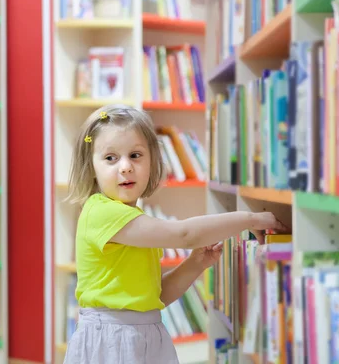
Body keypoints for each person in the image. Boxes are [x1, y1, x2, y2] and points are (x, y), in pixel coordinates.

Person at [63, 104, 288, 363]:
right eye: (110, 158)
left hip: (143, 335)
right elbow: (184, 235)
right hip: (113, 341)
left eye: (135, 155)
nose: (125, 167)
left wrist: (195, 264)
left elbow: (154, 298)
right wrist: (251, 218)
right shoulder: (102, 213)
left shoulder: (135, 219)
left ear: (152, 161)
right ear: (91, 167)